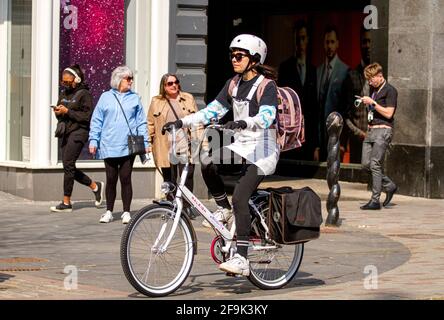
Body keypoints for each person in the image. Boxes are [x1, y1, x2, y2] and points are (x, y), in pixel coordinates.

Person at [163, 34, 279, 277]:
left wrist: (242, 123)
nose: (234, 60)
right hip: (242, 147)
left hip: (263, 151)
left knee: (240, 197)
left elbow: (268, 116)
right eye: (232, 55)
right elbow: (211, 111)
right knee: (206, 160)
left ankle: (243, 259)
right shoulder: (233, 84)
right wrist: (180, 121)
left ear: (254, 59)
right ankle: (223, 209)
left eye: (239, 56)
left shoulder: (266, 86)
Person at [89, 66, 149, 224]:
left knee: (126, 178)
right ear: (118, 79)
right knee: (110, 179)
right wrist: (93, 140)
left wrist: (146, 142)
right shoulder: (105, 97)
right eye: (128, 78)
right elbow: (97, 121)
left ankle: (126, 212)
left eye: (131, 78)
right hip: (108, 144)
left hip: (128, 145)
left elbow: (141, 122)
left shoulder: (135, 98)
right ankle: (109, 211)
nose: (131, 81)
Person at [50, 64, 104, 213]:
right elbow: (62, 112)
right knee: (68, 166)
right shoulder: (64, 93)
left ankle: (66, 202)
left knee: (68, 164)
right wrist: (58, 111)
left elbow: (87, 117)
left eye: (68, 82)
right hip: (66, 132)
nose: (65, 84)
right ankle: (95, 186)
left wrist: (68, 111)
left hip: (79, 132)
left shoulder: (84, 94)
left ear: (77, 79)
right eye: (63, 82)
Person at [147, 73, 202, 219]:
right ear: (163, 87)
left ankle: (187, 206)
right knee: (169, 177)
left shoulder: (188, 98)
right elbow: (150, 123)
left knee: (187, 175)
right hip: (165, 144)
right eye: (169, 83)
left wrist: (202, 141)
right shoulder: (156, 101)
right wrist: (148, 142)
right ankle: (171, 206)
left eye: (176, 82)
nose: (174, 85)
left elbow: (197, 121)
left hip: (186, 143)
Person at [278, 20, 319, 161]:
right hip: (290, 130)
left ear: (307, 40)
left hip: (308, 133)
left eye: (303, 38)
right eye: (297, 39)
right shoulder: (285, 68)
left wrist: (316, 144)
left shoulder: (313, 70)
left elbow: (315, 107)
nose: (300, 43)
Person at [360, 63, 398, 210]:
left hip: (383, 131)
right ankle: (389, 185)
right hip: (370, 130)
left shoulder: (390, 91)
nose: (369, 82)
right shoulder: (373, 90)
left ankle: (375, 200)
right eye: (368, 80)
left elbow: (389, 113)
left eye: (371, 79)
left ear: (379, 76)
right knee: (365, 165)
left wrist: (373, 104)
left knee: (375, 164)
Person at [317, 25, 349, 161]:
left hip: (336, 133)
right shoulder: (318, 71)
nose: (329, 46)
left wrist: (343, 141)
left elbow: (346, 109)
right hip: (321, 135)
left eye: (332, 42)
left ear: (337, 44)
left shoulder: (345, 71)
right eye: (327, 42)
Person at [342, 27, 372, 163]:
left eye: (370, 41)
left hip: (376, 142)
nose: (368, 45)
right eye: (364, 41)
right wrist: (359, 134)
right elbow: (345, 115)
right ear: (360, 44)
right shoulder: (351, 76)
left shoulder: (381, 77)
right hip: (358, 143)